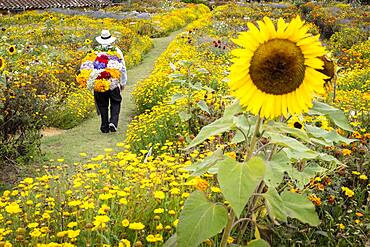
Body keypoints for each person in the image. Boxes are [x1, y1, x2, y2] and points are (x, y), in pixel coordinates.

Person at [94, 30, 127, 133]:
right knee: (115, 102)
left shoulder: (95, 51)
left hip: (100, 82)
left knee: (102, 104)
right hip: (113, 81)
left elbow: (90, 67)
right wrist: (123, 82)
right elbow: (122, 68)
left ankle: (104, 126)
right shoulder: (116, 51)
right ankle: (113, 122)